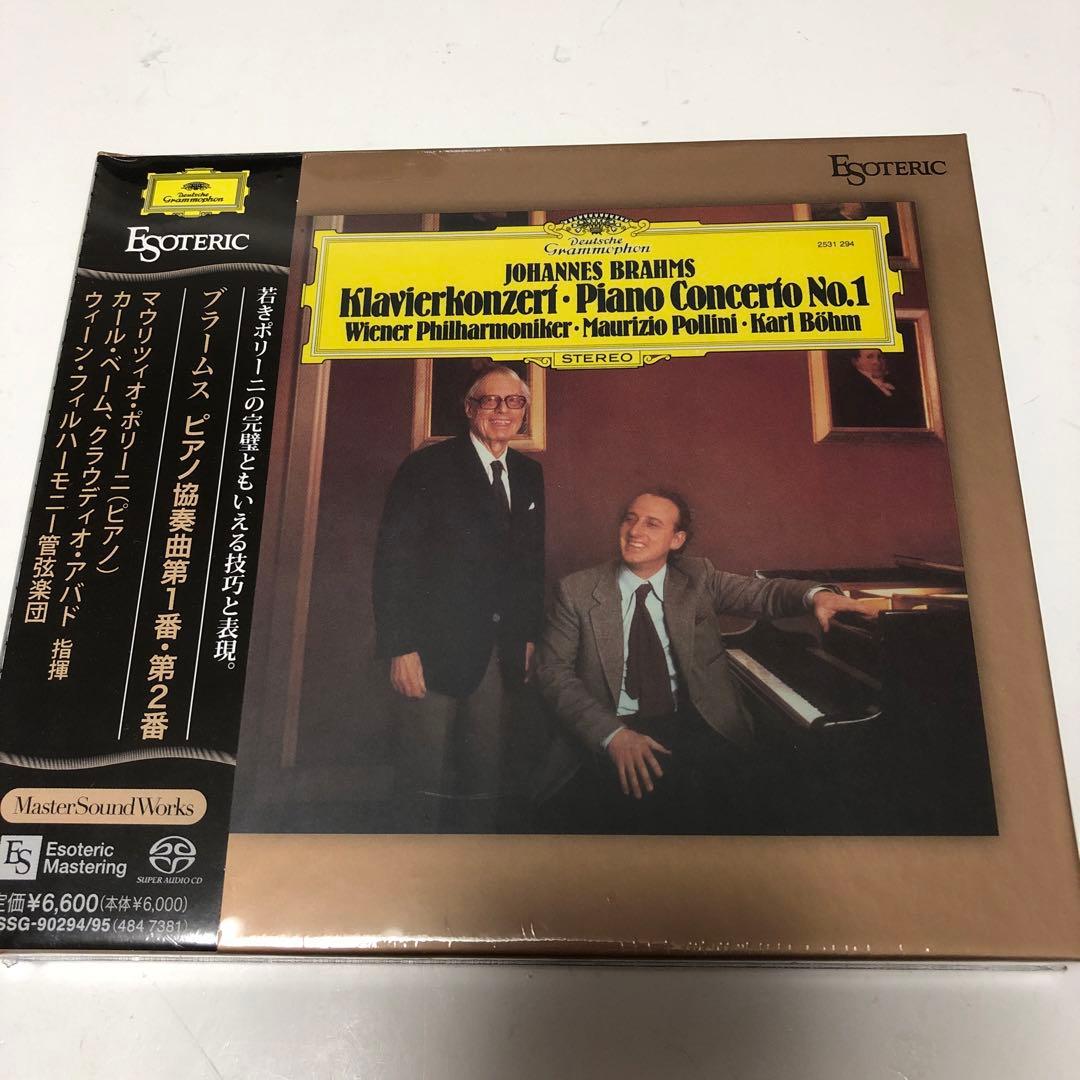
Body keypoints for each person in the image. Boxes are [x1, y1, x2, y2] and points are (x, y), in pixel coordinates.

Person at [533, 489, 869, 834]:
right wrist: (613, 735)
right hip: (612, 724)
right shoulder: (576, 591)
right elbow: (551, 672)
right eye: (630, 519)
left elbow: (764, 593)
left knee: (743, 812)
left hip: (695, 721)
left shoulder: (698, 578)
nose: (635, 531)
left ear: (676, 539)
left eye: (652, 523)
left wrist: (817, 595)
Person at [372, 366, 545, 832]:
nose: (503, 410)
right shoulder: (426, 467)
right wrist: (400, 648)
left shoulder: (529, 474)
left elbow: (530, 566)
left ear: (524, 411)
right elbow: (393, 563)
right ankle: (410, 870)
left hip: (499, 652)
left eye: (514, 401)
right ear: (469, 408)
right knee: (421, 776)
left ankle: (472, 867)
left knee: (484, 776)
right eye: (490, 400)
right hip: (430, 651)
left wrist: (527, 637)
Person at [829, 347, 926, 429]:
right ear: (856, 362)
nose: (877, 362)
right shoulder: (851, 389)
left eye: (880, 357)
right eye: (870, 357)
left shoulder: (896, 384)